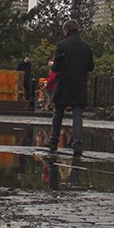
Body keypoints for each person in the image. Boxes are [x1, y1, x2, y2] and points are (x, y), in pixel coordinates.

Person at [45, 20, 93, 154]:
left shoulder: (62, 45)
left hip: (64, 85)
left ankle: (53, 141)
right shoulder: (86, 47)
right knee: (78, 116)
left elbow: (56, 68)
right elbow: (91, 67)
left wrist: (55, 65)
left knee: (58, 113)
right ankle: (77, 144)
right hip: (79, 86)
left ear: (66, 30)